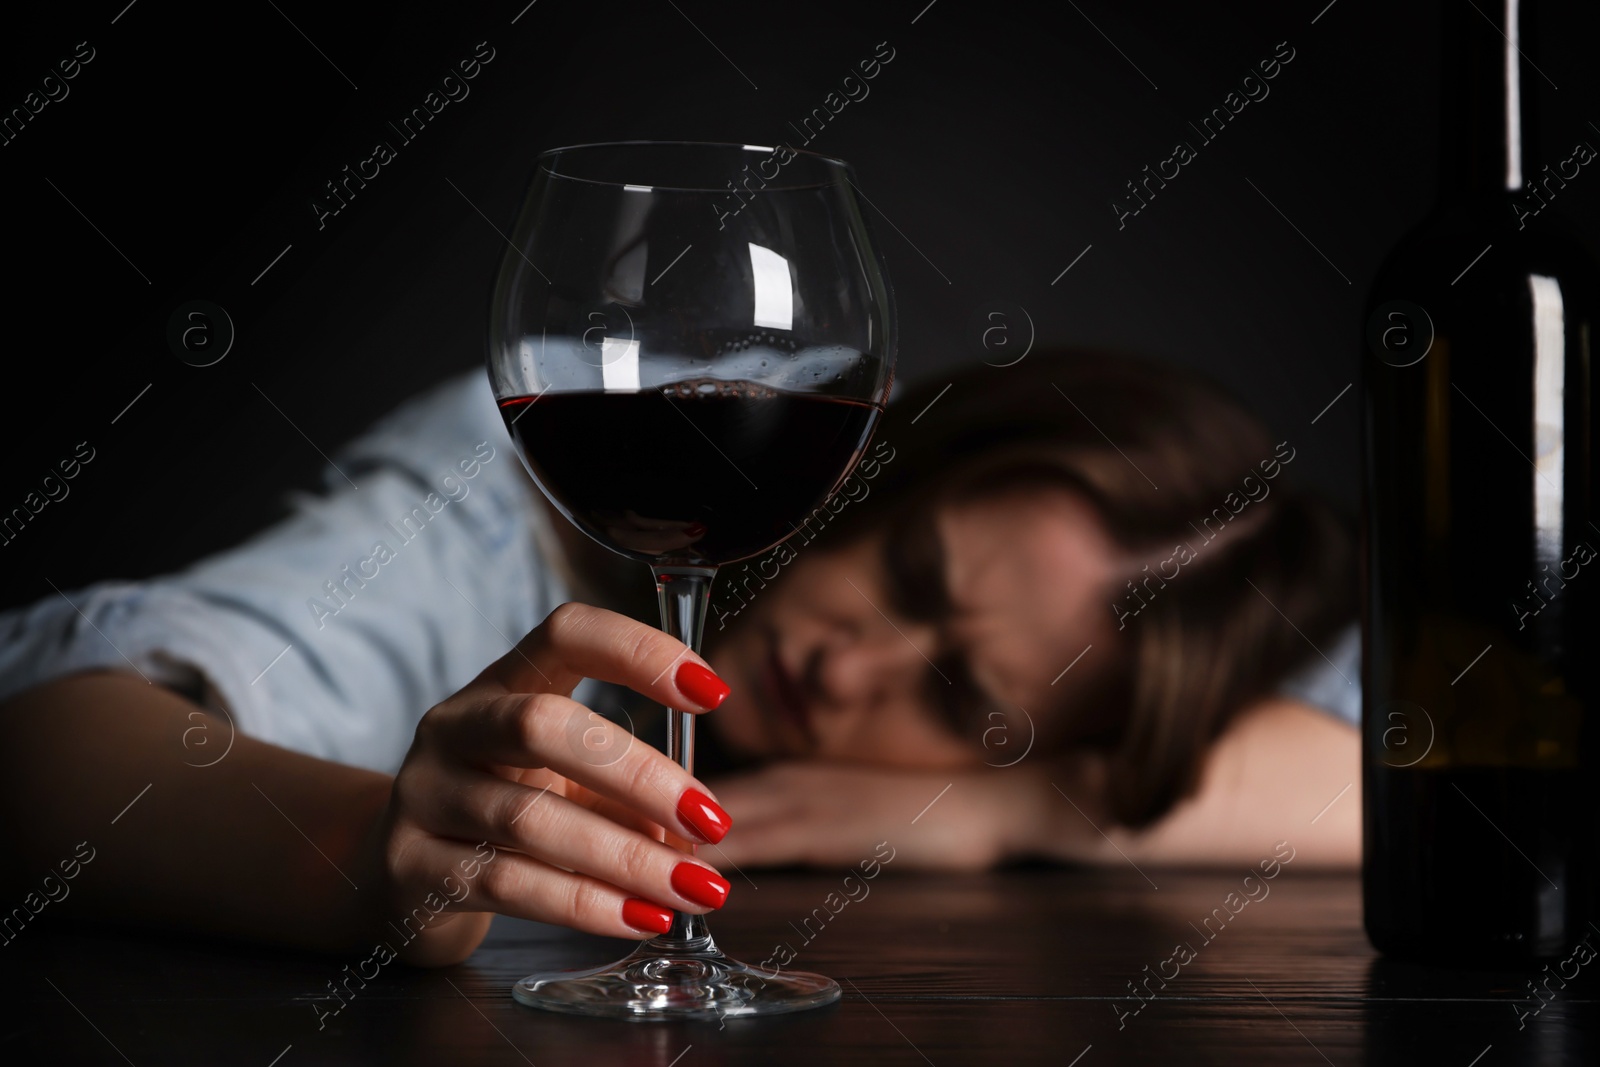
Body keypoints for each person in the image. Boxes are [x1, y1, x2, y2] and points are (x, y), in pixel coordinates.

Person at [0, 350, 1359, 967]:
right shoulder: (541, 485)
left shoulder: (1134, 702)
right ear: (881, 478)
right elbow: (49, 742)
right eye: (903, 576)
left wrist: (1006, 808)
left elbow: (1421, 787)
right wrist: (374, 858)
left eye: (959, 697)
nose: (849, 665)